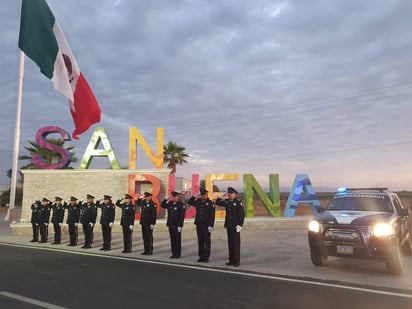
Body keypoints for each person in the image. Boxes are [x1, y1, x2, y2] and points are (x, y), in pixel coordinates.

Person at [215, 187, 245, 267]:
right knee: (230, 244)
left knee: (236, 244)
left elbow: (242, 215)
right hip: (229, 226)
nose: (229, 195)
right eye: (229, 193)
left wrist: (240, 225)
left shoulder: (238, 202)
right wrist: (223, 195)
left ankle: (236, 261)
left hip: (236, 227)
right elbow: (217, 202)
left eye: (231, 193)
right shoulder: (227, 202)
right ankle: (231, 260)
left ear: (235, 194)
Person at [187, 189, 215, 263]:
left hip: (206, 225)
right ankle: (201, 256)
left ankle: (206, 257)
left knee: (207, 241)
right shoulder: (198, 202)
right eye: (201, 195)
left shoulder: (210, 203)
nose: (202, 196)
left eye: (204, 195)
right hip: (199, 224)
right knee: (200, 241)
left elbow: (212, 216)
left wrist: (211, 225)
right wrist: (195, 196)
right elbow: (189, 201)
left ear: (207, 195)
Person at [161, 191, 185, 259]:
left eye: (175, 197)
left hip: (177, 225)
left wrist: (180, 225)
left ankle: (178, 254)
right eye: (173, 197)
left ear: (178, 197)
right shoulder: (170, 203)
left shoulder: (181, 205)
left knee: (177, 240)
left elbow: (182, 216)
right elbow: (162, 205)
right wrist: (166, 199)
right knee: (172, 240)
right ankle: (173, 253)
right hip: (171, 224)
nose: (174, 198)